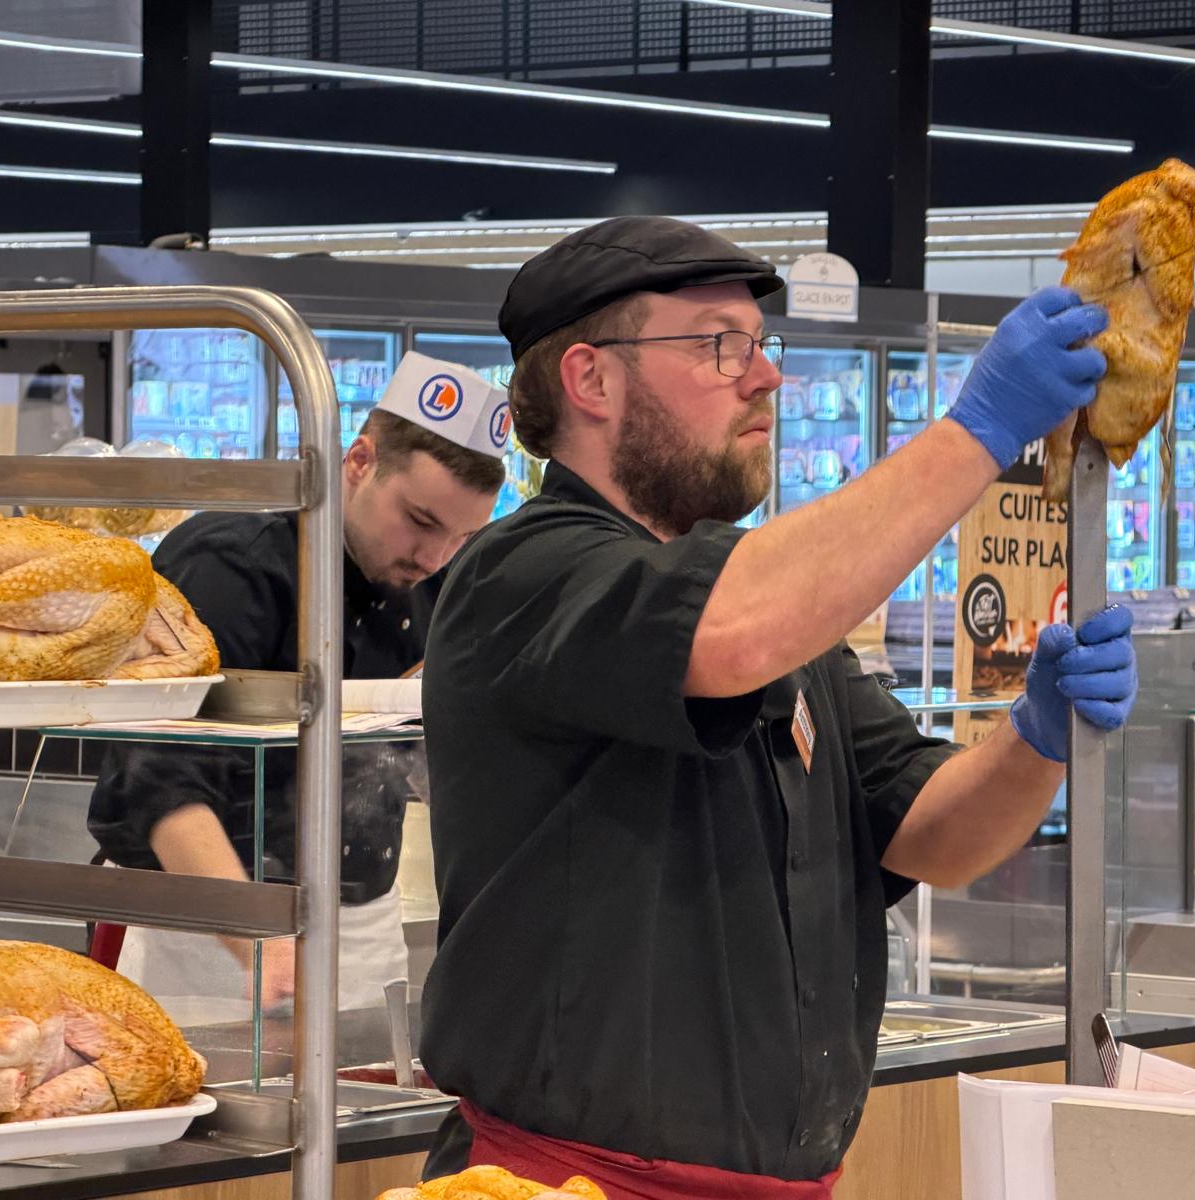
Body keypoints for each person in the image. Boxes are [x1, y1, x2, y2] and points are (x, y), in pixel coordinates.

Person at [417, 217, 1138, 1198]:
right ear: (590, 379)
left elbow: (933, 836)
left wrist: (1034, 740)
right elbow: (727, 633)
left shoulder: (789, 635)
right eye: (719, 344)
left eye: (760, 347)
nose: (763, 379)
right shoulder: (524, 573)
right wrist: (976, 431)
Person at [87, 351, 507, 1012]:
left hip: (365, 924)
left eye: (461, 538)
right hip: (201, 932)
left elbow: (410, 763)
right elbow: (159, 775)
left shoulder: (434, 587)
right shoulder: (231, 567)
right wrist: (257, 939)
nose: (433, 558)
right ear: (359, 463)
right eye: (421, 522)